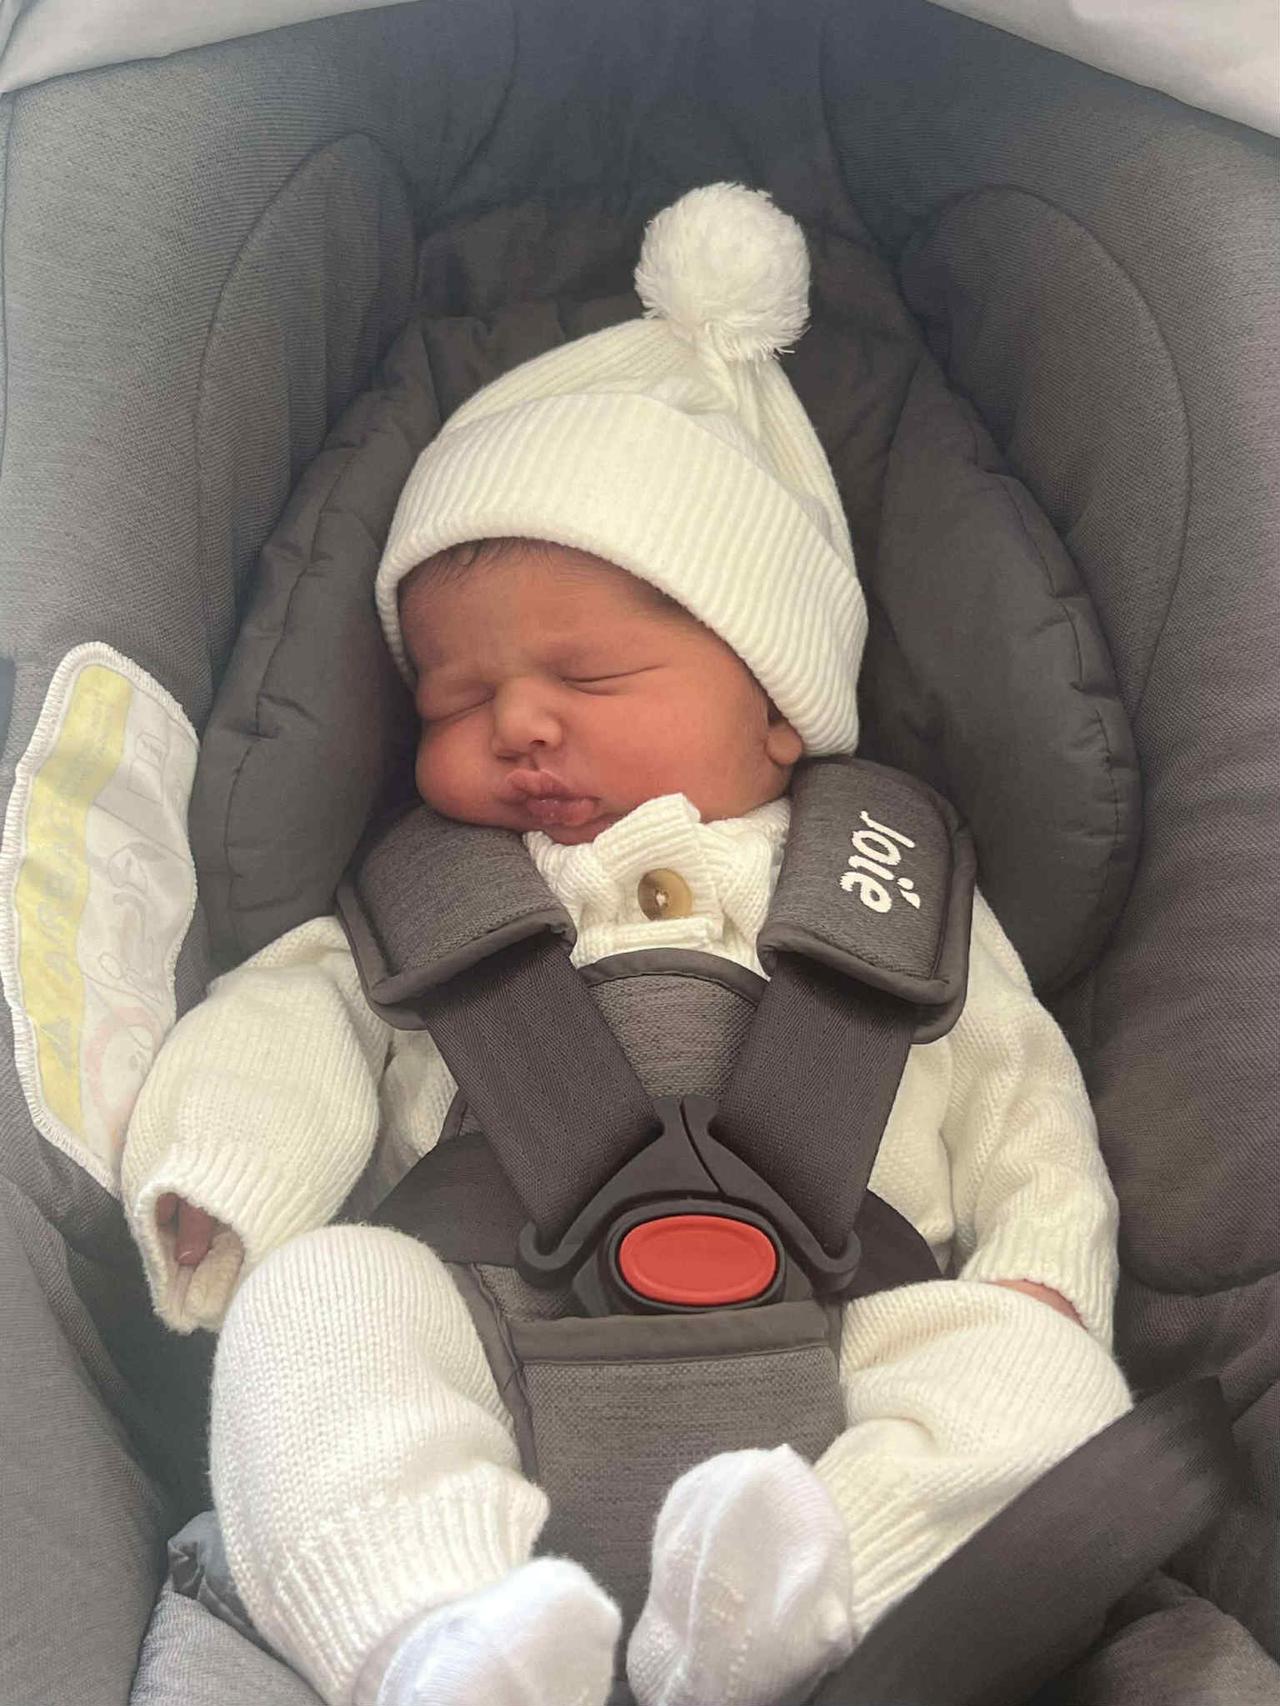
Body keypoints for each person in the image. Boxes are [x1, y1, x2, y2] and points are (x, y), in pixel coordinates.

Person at [122, 183, 1131, 1706]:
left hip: (852, 1351)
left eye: (587, 676)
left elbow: (1020, 1095)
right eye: (457, 700)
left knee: (1045, 1383)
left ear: (780, 705)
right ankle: (438, 1631)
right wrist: (223, 1172)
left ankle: (797, 1619)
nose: (519, 722)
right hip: (490, 1336)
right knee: (314, 1308)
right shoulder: (431, 897)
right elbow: (293, 1023)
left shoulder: (894, 885)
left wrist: (1043, 1277)